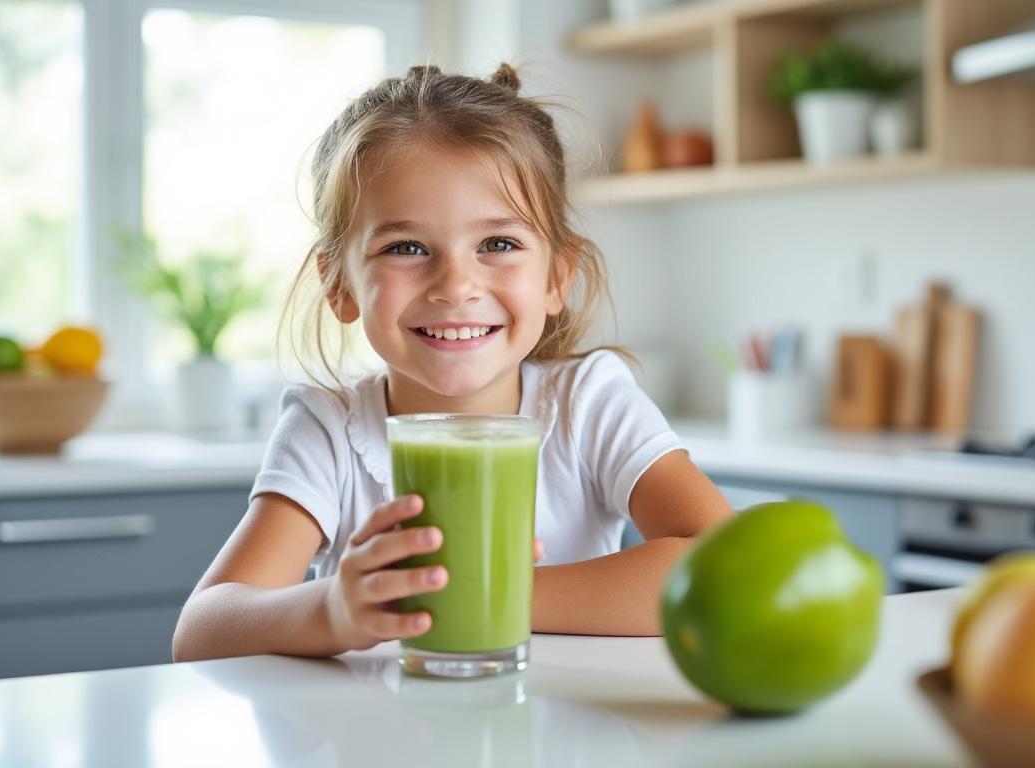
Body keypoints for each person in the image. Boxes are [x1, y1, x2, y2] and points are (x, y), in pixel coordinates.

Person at [171, 63, 732, 661]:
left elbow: (721, 563)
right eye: (406, 248)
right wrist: (334, 609)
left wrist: (487, 595)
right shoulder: (328, 427)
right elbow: (201, 631)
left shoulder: (587, 403)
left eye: (498, 244)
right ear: (339, 284)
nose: (456, 285)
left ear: (556, 276)